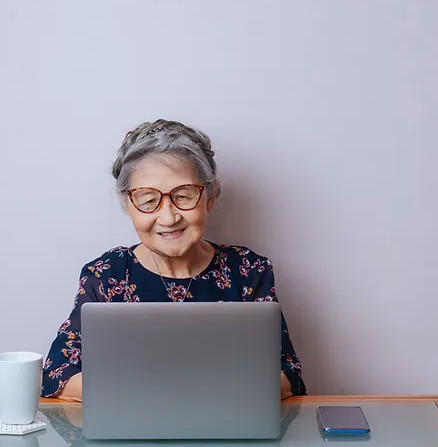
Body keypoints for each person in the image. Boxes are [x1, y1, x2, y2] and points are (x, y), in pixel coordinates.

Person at [41, 119, 306, 401]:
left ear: (210, 197)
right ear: (127, 206)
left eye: (184, 196)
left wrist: (183, 394)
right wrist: (165, 395)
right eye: (147, 200)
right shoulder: (106, 274)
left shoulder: (248, 271)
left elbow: (287, 375)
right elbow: (58, 376)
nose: (168, 217)